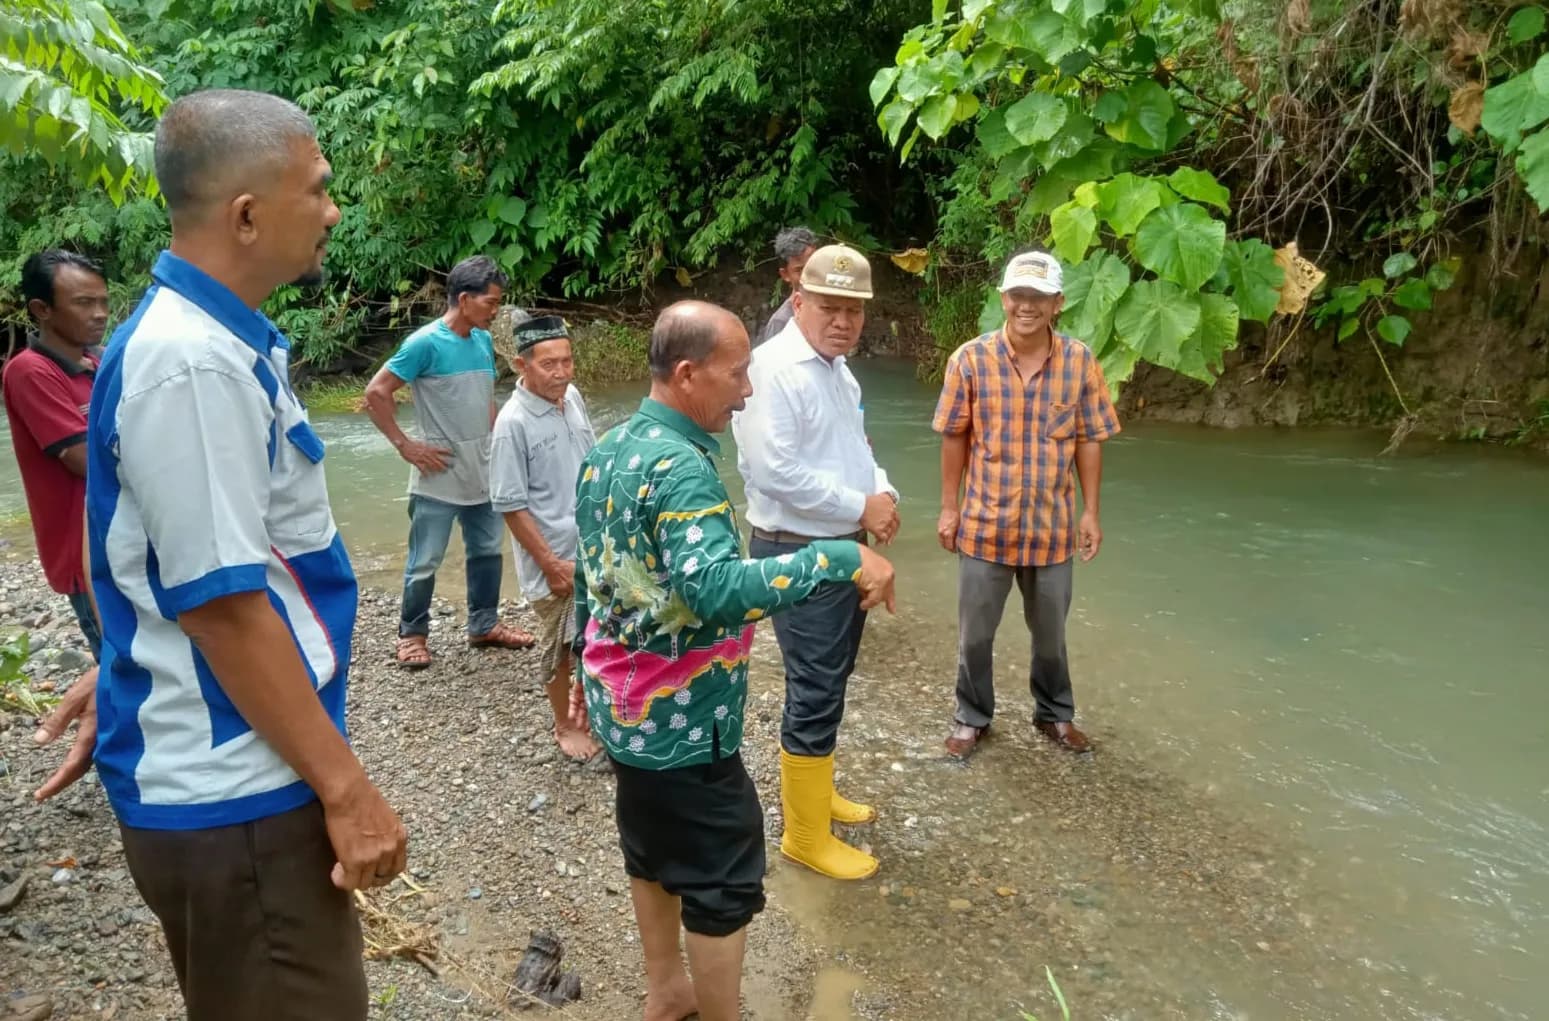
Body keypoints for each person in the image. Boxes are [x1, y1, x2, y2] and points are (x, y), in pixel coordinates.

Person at [30, 88, 406, 1021]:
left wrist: (125, 650)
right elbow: (226, 606)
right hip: (237, 798)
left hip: (229, 775)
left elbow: (135, 528)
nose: (332, 210)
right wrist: (348, 788)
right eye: (318, 190)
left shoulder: (205, 342)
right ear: (246, 214)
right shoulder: (189, 362)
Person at [572, 301, 896, 1021]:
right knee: (721, 872)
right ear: (686, 374)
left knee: (649, 845)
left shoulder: (612, 447)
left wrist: (574, 669)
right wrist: (840, 556)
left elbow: (592, 572)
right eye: (737, 373)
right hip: (681, 720)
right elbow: (714, 591)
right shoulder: (681, 471)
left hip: (621, 704)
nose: (746, 389)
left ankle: (667, 990)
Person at [732, 243, 899, 881]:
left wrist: (883, 496)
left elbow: (857, 448)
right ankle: (803, 834)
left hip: (841, 545)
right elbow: (773, 474)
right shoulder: (773, 369)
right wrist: (862, 503)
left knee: (832, 675)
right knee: (815, 686)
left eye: (854, 311)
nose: (842, 322)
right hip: (796, 547)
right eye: (829, 308)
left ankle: (817, 791)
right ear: (797, 300)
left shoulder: (837, 370)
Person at [933, 249, 1120, 759]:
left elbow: (1089, 439)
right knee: (975, 636)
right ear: (1003, 299)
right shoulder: (969, 360)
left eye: (1038, 297)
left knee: (1051, 637)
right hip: (984, 524)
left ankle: (1055, 715)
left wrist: (1090, 512)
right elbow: (954, 436)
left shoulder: (1080, 362)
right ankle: (972, 719)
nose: (1026, 306)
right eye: (1018, 295)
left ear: (1058, 303)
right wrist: (949, 508)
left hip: (1051, 528)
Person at [364, 255, 535, 669]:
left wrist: (504, 447)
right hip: (437, 470)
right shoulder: (424, 342)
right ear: (464, 298)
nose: (496, 311)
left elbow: (483, 402)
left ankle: (484, 626)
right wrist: (407, 446)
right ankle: (412, 635)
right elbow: (376, 393)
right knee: (425, 558)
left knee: (487, 550)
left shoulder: (480, 341)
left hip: (483, 467)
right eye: (491, 303)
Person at [488, 314, 601, 761]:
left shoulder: (571, 397)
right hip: (553, 558)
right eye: (549, 365)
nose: (561, 373)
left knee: (596, 637)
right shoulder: (512, 424)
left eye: (567, 361)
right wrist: (551, 565)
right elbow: (509, 505)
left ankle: (595, 713)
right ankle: (564, 725)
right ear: (522, 365)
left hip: (592, 546)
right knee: (561, 645)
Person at [2, 250, 110, 659]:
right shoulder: (29, 371)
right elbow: (83, 459)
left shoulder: (98, 362)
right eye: (84, 303)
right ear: (41, 309)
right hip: (84, 557)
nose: (99, 313)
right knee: (123, 670)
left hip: (123, 544)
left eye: (103, 301)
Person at [753, 226, 817, 346]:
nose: (809, 275)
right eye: (799, 270)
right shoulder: (781, 322)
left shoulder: (831, 310)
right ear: (785, 274)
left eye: (812, 266)